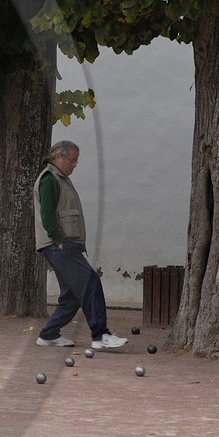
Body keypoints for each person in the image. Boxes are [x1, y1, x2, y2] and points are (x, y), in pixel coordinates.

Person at [34, 140, 129, 351]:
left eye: (76, 161)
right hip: (59, 244)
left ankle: (48, 335)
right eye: (72, 160)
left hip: (63, 244)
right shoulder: (50, 179)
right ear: (58, 157)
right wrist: (59, 240)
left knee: (71, 296)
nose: (75, 165)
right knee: (91, 281)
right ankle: (100, 335)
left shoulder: (61, 178)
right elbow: (48, 214)